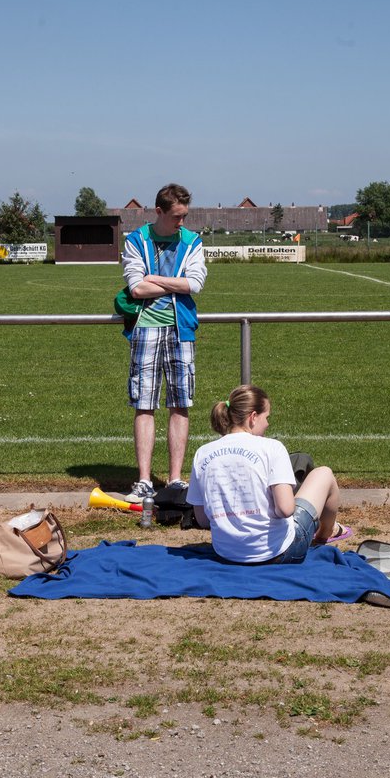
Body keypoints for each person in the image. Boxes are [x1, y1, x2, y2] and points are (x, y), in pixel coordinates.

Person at [186, 384, 352, 564]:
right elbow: (285, 509)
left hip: (225, 554)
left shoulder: (203, 453)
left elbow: (202, 519)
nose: (268, 423)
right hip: (279, 553)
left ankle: (327, 530)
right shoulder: (271, 447)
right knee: (324, 473)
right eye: (267, 417)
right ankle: (325, 533)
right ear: (253, 417)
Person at [121, 182, 208, 501]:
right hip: (145, 328)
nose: (181, 223)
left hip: (181, 329)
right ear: (158, 212)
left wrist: (154, 279)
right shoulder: (136, 240)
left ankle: (174, 480)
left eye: (185, 216)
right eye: (176, 217)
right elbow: (135, 289)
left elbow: (195, 284)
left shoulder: (192, 242)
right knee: (144, 403)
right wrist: (175, 285)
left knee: (180, 402)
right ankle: (144, 479)